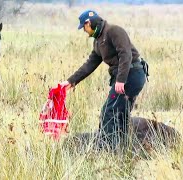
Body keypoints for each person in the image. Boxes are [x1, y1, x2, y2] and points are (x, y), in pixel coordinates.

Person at [60, 10, 149, 150]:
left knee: (109, 111)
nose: (84, 31)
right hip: (125, 77)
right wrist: (71, 81)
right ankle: (123, 146)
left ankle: (108, 148)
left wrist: (120, 80)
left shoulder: (114, 31)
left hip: (132, 75)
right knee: (121, 112)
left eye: (83, 27)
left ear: (88, 23)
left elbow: (125, 55)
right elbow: (90, 64)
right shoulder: (98, 42)